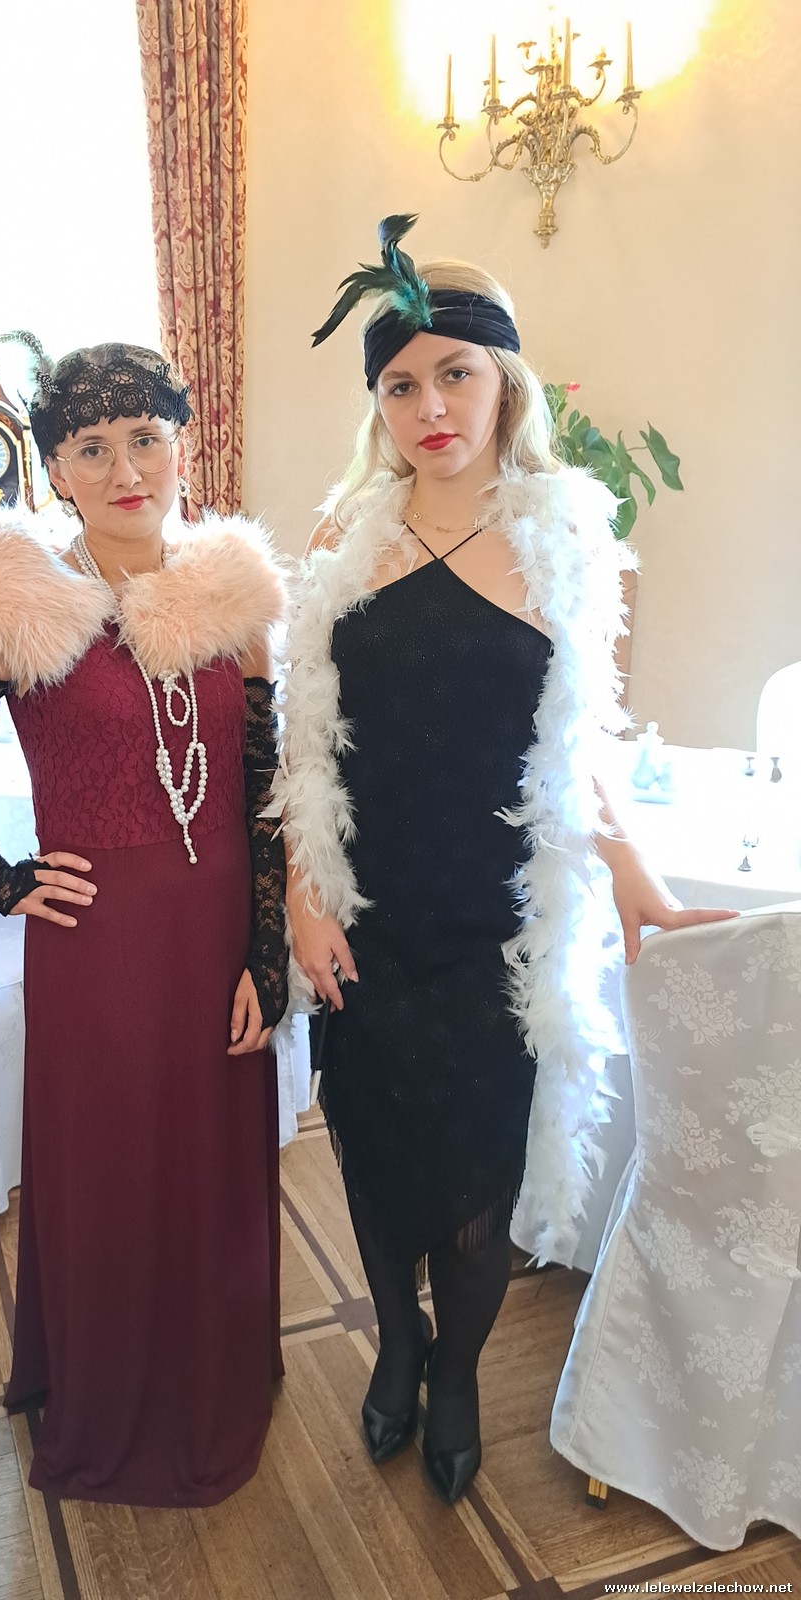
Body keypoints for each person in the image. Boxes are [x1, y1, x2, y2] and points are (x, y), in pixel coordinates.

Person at [275, 215, 735, 1503]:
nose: (431, 407)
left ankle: (460, 1371)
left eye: (455, 374)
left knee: (480, 1178)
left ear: (504, 382)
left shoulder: (564, 543)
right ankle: (398, 1341)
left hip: (495, 927)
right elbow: (303, 740)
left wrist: (640, 885)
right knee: (373, 1157)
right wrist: (305, 898)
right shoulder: (344, 538)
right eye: (400, 384)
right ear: (378, 403)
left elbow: (580, 748)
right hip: (368, 912)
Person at [0, 339, 288, 1506]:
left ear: (182, 446)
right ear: (55, 469)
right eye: (93, 447)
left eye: (146, 439)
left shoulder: (234, 592)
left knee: (211, 1163)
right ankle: (111, 1396)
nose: (126, 470)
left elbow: (266, 786)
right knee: (113, 1165)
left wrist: (268, 954)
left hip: (217, 928)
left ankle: (213, 1371)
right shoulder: (20, 597)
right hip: (99, 942)